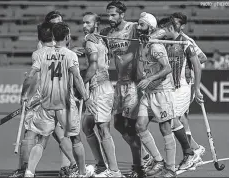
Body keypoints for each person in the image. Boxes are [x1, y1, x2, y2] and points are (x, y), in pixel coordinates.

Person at [85, 1, 153, 177]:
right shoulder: (107, 33)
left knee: (131, 128)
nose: (110, 18)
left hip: (134, 84)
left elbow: (153, 29)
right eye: (108, 15)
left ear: (122, 14)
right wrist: (88, 37)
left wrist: (147, 34)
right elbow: (96, 40)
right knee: (118, 125)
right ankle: (144, 158)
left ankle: (139, 168)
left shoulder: (132, 28)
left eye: (114, 14)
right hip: (120, 85)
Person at [21, 22, 97, 177]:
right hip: (65, 104)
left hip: (46, 103)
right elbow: (77, 78)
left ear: (54, 36)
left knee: (42, 139)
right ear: (67, 36)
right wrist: (86, 97)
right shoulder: (70, 55)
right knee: (75, 139)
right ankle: (82, 172)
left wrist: (24, 94)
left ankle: (30, 171)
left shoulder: (42, 54)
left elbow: (30, 77)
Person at [135, 12, 177, 178]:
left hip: (162, 92)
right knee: (140, 126)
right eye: (138, 24)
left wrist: (150, 78)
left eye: (142, 25)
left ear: (150, 28)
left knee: (165, 128)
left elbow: (167, 68)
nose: (138, 28)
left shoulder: (155, 45)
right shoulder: (144, 42)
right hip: (149, 92)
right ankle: (159, 161)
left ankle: (171, 169)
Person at [81, 12, 123, 177]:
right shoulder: (100, 38)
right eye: (83, 23)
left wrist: (81, 83)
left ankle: (114, 170)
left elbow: (92, 66)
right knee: (87, 126)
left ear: (96, 24)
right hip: (97, 87)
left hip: (100, 87)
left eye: (88, 23)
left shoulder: (91, 41)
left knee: (103, 129)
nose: (84, 26)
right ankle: (100, 164)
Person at [160, 16, 204, 170]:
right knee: (175, 121)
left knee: (172, 121)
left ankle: (190, 154)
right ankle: (194, 150)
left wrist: (196, 87)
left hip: (183, 87)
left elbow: (199, 63)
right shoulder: (164, 42)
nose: (161, 32)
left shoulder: (186, 42)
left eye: (163, 29)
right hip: (168, 88)